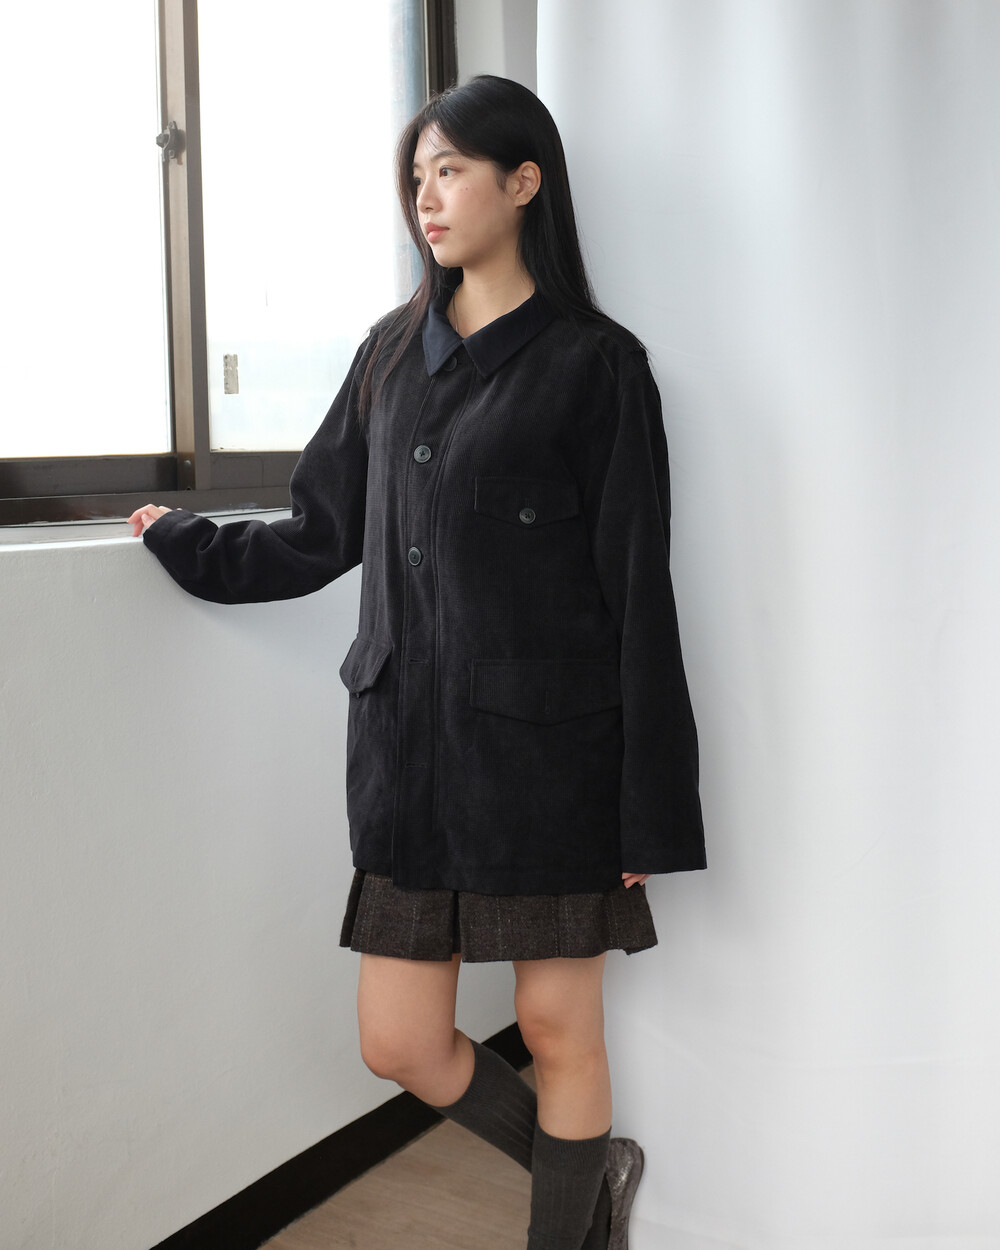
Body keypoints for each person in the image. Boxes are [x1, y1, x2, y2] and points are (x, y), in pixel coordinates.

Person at [130, 74, 705, 1250]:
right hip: (408, 761)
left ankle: (566, 1228)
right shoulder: (388, 356)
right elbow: (317, 531)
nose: (425, 197)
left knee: (555, 1027)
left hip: (551, 763)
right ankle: (588, 1171)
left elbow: (637, 591)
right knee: (397, 1040)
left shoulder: (597, 366)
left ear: (523, 181)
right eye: (415, 177)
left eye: (449, 170)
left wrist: (646, 803)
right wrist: (183, 539)